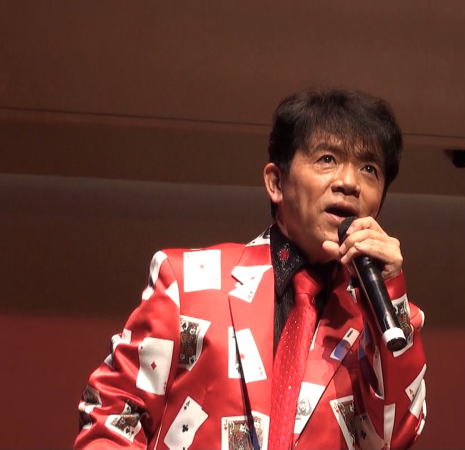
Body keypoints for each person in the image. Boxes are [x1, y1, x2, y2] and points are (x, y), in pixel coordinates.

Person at [75, 89, 426, 449]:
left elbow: (398, 434)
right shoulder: (187, 280)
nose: (349, 182)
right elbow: (113, 417)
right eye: (327, 159)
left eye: (369, 169)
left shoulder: (377, 321)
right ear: (276, 183)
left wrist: (391, 292)